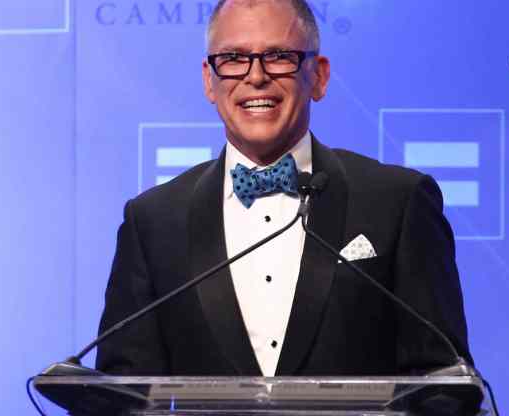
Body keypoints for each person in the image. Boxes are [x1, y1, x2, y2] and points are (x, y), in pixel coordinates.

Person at [96, 0, 472, 377]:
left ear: (319, 76)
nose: (255, 76)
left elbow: (441, 382)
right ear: (209, 80)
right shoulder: (154, 221)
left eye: (278, 56)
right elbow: (121, 391)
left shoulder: (398, 202)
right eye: (233, 58)